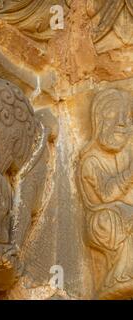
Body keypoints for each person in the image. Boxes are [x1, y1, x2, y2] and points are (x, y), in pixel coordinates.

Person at [79, 88, 133, 298]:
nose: (122, 122)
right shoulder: (91, 160)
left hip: (123, 214)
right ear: (98, 120)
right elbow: (107, 194)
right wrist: (129, 174)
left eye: (127, 116)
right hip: (103, 221)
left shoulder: (125, 153)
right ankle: (119, 277)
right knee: (112, 218)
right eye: (113, 113)